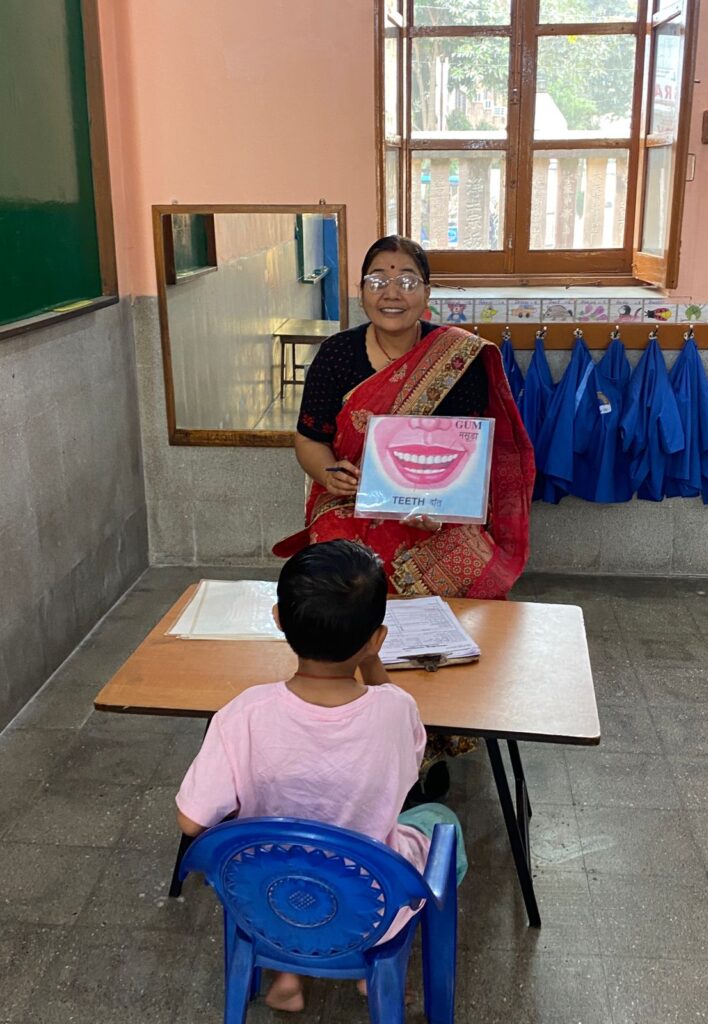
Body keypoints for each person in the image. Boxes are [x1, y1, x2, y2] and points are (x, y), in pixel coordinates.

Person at [175, 540, 467, 1014]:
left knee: (287, 847)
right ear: (377, 638)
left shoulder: (242, 714)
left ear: (278, 619)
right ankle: (372, 973)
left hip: (268, 902)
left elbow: (191, 821)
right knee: (440, 821)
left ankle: (287, 976)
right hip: (372, 904)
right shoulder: (395, 711)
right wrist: (370, 661)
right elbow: (410, 766)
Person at [273, 234, 535, 602]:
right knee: (341, 582)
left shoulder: (460, 358)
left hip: (437, 506)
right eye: (377, 281)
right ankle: (357, 636)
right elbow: (309, 438)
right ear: (361, 292)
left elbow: (473, 452)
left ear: (427, 293)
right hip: (351, 501)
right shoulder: (336, 355)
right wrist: (328, 474)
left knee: (470, 575)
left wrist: (442, 508)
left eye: (407, 282)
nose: (392, 293)